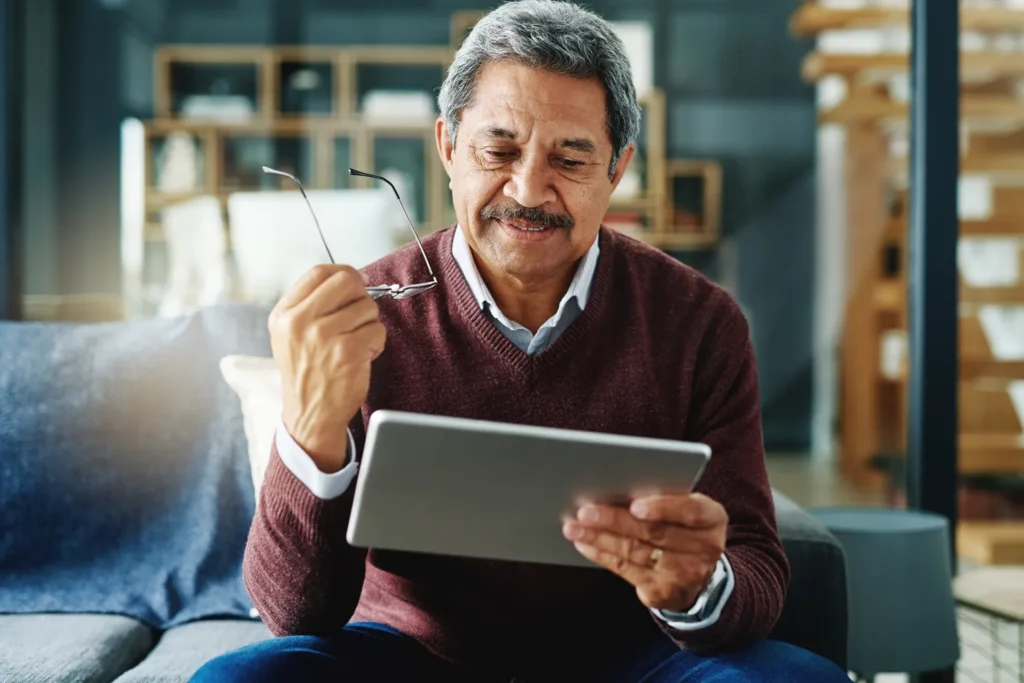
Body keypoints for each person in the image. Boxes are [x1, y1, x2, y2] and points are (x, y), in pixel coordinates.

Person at [192, 1, 850, 681]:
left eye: (570, 158)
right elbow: (294, 615)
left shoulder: (700, 322)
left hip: (635, 659)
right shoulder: (359, 319)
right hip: (413, 657)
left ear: (616, 169)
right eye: (498, 149)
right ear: (447, 146)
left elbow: (756, 570)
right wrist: (309, 424)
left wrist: (698, 587)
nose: (529, 189)